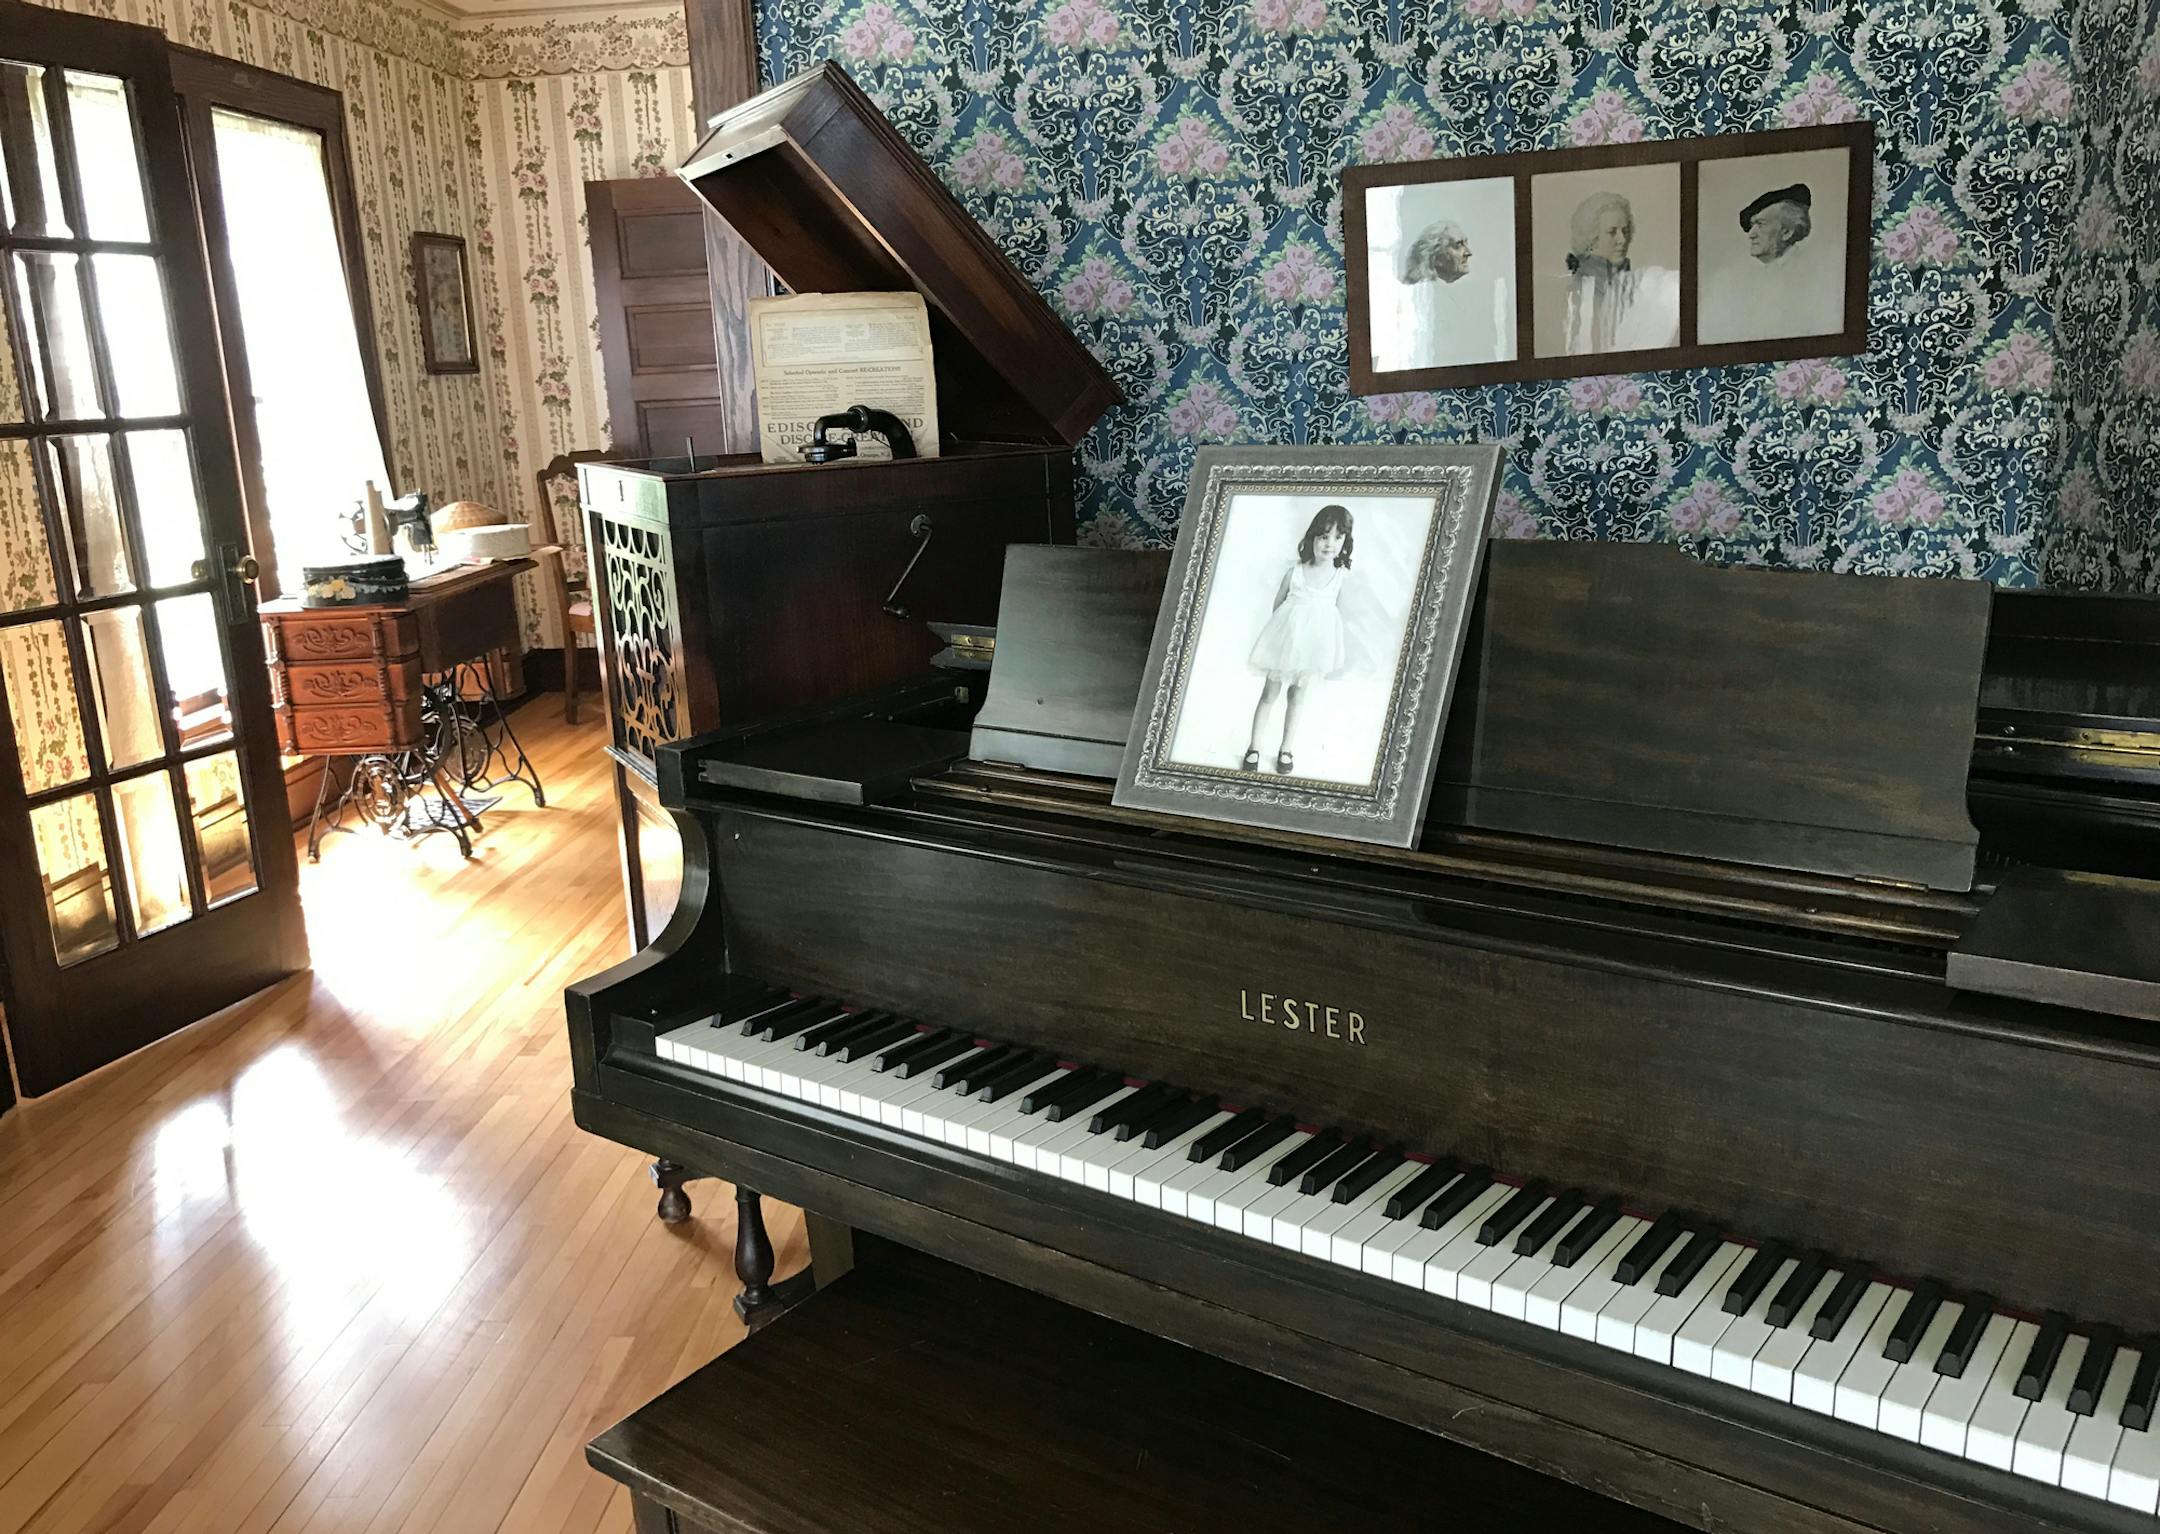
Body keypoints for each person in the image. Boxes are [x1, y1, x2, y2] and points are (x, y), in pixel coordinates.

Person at [1242, 505, 1354, 776]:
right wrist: (1280, 642)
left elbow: (1336, 615)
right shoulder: (1296, 572)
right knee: (1269, 694)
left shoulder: (1341, 577)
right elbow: (1278, 606)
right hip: (1284, 644)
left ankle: (1286, 749)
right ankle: (1254, 747)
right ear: (1312, 538)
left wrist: (1321, 645)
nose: (1329, 544)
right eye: (1324, 536)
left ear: (1345, 543)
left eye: (1337, 538)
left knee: (1298, 696)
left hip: (1312, 650)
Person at [1698, 182, 1842, 344]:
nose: (1751, 235)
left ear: (1786, 232)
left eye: (1760, 224)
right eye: (1752, 226)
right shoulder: (1731, 280)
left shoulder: (1820, 275)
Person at [1369, 216, 1513, 371]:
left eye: (1466, 243)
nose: (1468, 252)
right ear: (1435, 257)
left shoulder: (1455, 298)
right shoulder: (1416, 302)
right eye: (1458, 245)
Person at [1559, 190, 1680, 355]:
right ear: (1591, 238)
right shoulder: (1568, 292)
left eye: (1625, 231)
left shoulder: (1647, 284)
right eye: (1612, 232)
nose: (1622, 240)